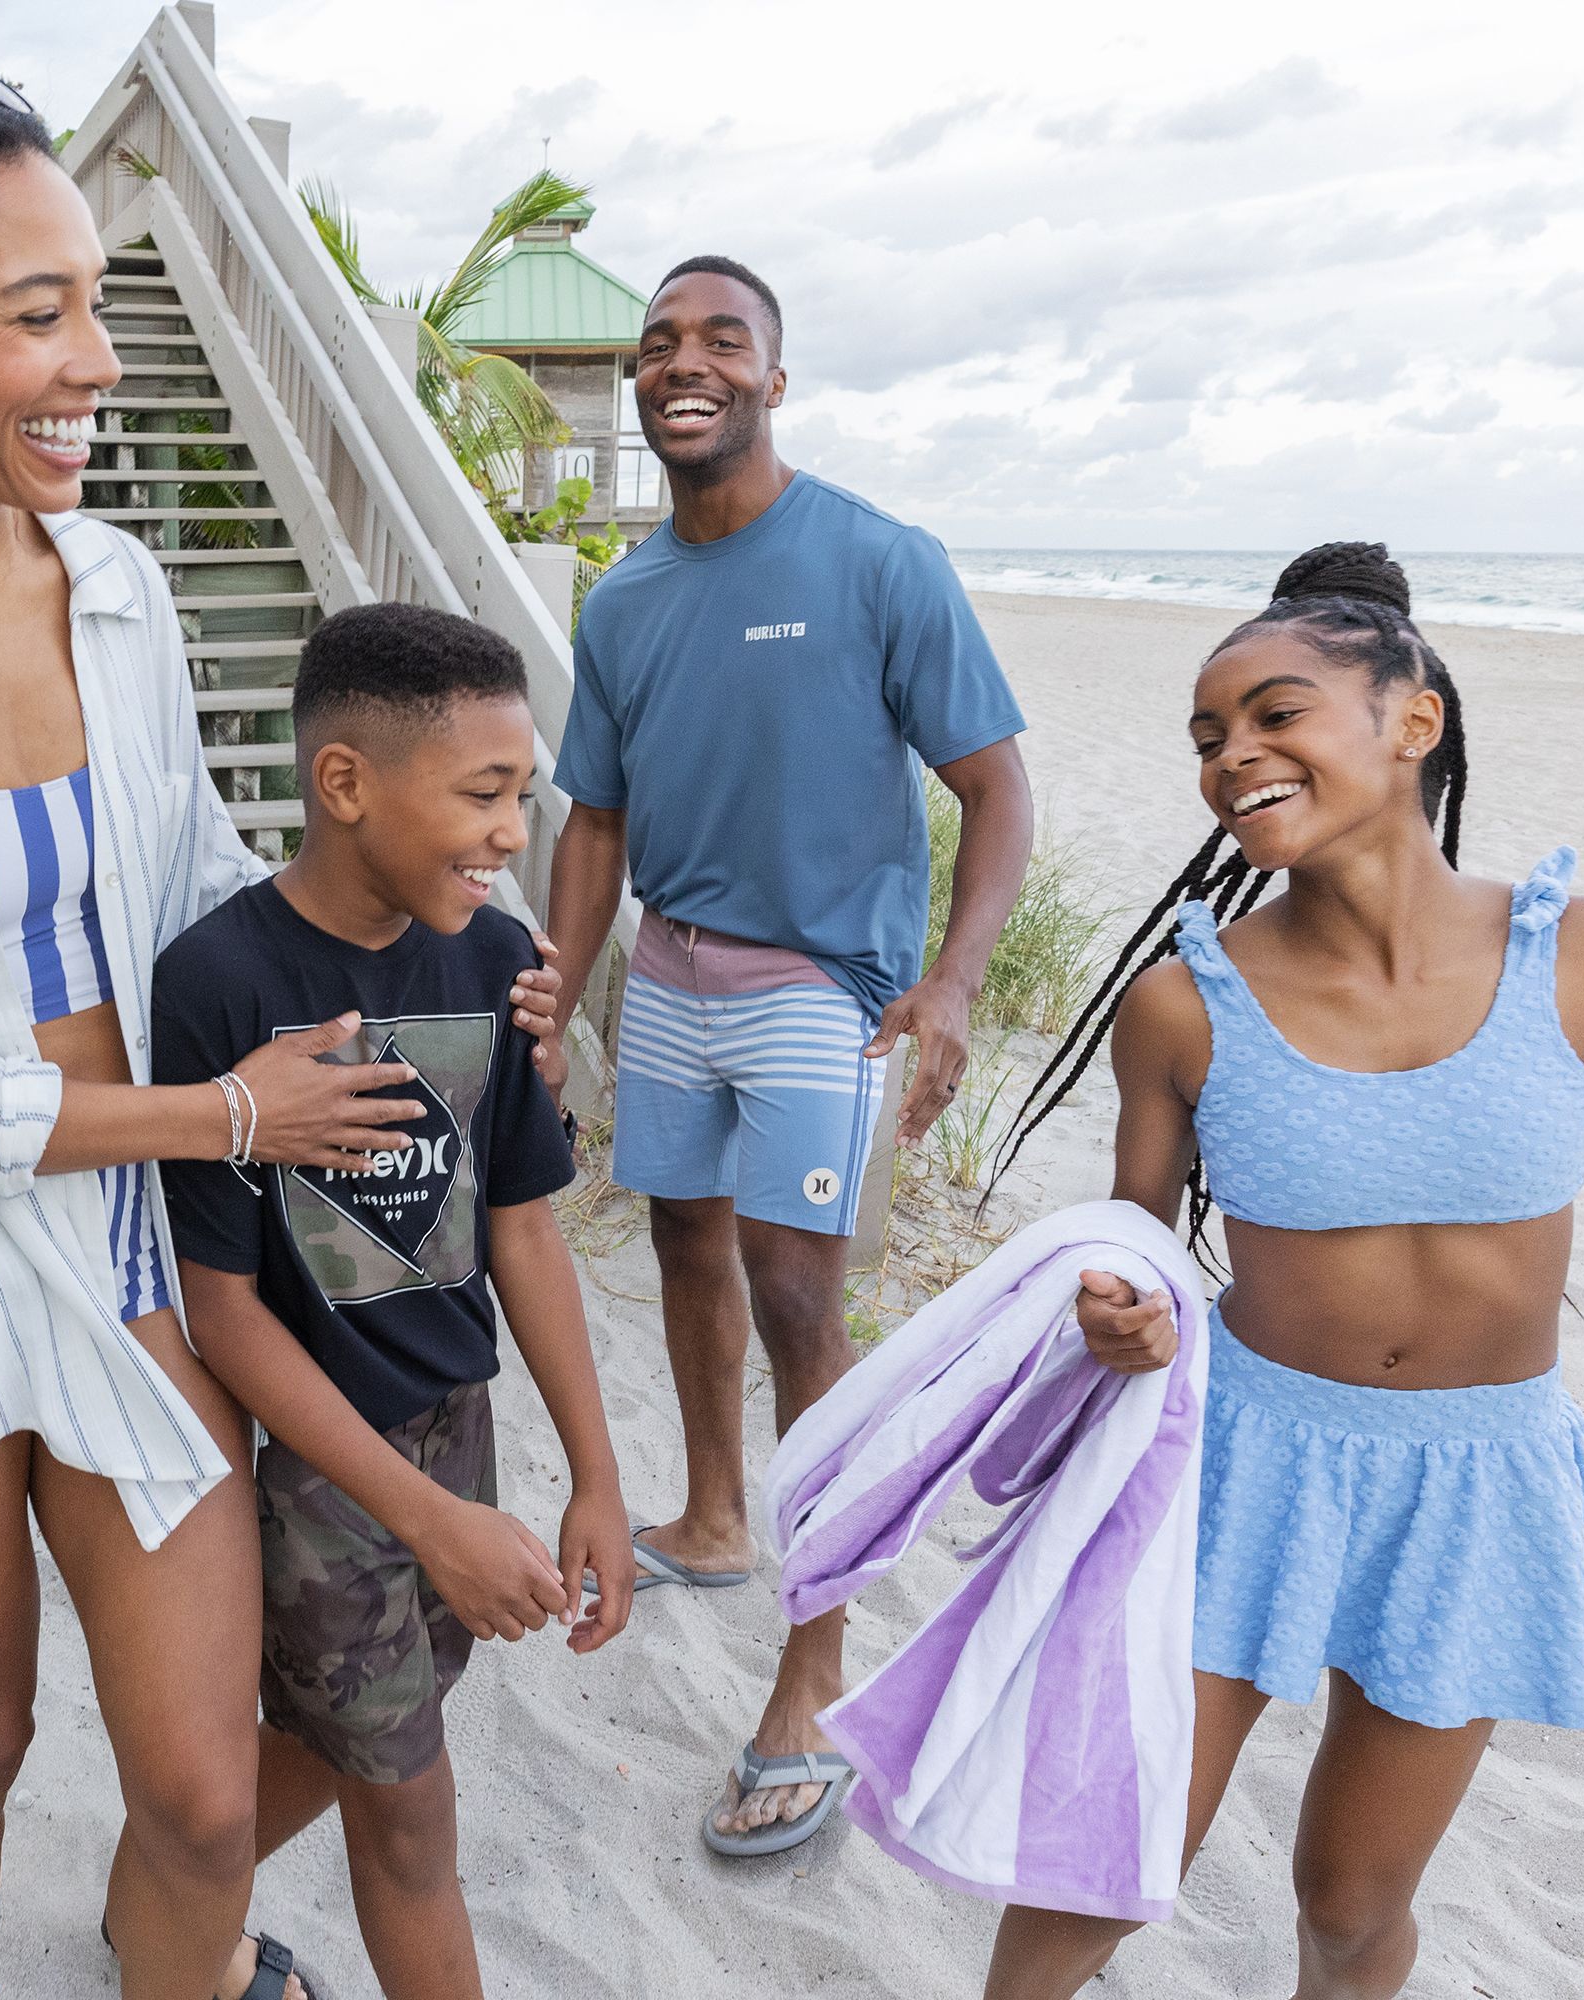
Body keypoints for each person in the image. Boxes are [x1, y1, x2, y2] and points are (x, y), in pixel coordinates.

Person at [0, 76, 561, 2000]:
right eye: (40, 312)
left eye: (97, 304)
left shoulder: (123, 589)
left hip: (135, 1233)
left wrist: (436, 950)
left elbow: (202, 881)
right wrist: (229, 1111)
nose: (100, 365)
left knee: (202, 1798)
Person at [984, 543, 1584, 1999]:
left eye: (1276, 715)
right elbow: (1136, 1256)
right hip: (1246, 1458)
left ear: (1412, 720)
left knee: (1349, 1906)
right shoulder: (1181, 1006)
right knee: (1102, 1871)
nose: (1235, 758)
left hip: (1481, 1482)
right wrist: (1118, 1315)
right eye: (1210, 737)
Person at [541, 254, 1035, 1854]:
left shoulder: (882, 561)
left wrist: (955, 983)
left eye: (721, 340)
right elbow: (597, 818)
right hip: (668, 974)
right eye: (659, 344)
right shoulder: (620, 597)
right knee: (683, 1237)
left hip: (823, 988)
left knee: (799, 1291)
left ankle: (814, 1671)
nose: (683, 363)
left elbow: (998, 790)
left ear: (773, 377)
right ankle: (714, 1512)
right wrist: (559, 981)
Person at [150, 601, 635, 1999]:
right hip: (319, 1469)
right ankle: (177, 1901)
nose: (510, 833)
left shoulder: (491, 959)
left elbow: (526, 1232)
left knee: (349, 1731)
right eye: (484, 796)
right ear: (345, 783)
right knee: (412, 1806)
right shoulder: (222, 982)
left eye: (522, 798)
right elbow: (225, 1313)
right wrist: (427, 1521)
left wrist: (595, 1476)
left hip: (454, 1421)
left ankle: (172, 1903)